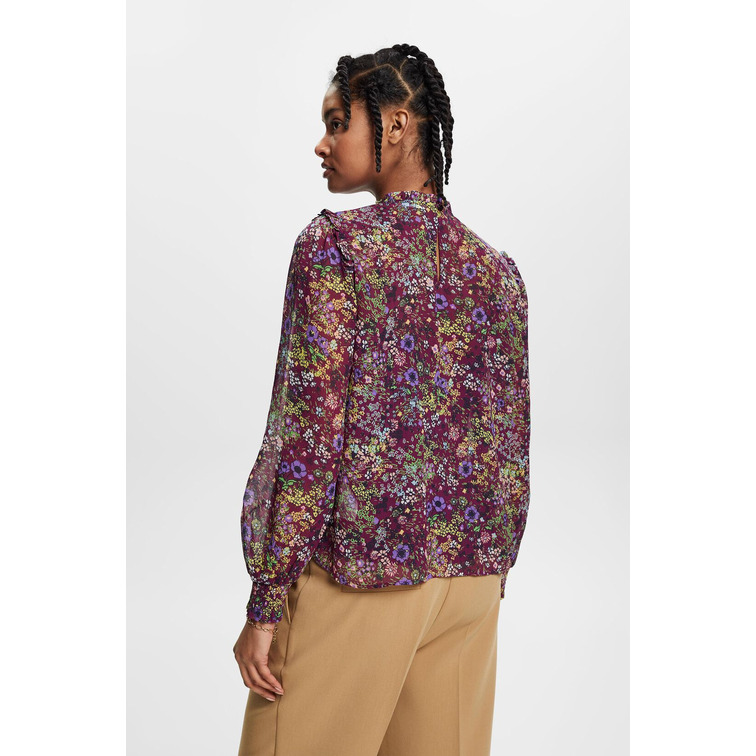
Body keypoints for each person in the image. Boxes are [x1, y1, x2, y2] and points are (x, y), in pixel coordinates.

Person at [233, 44, 530, 756]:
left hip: (358, 582)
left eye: (338, 122)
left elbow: (308, 441)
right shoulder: (497, 272)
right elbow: (510, 443)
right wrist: (490, 571)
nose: (322, 143)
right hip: (470, 588)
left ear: (395, 126)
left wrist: (267, 602)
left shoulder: (335, 249)